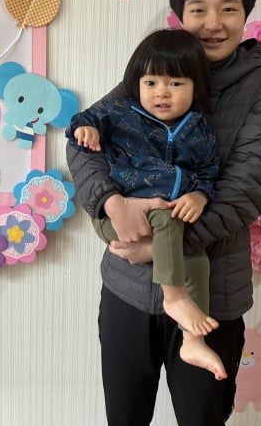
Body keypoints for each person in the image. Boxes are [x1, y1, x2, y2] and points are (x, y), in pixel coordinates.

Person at [66, 0, 261, 426]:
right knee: (124, 419)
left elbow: (248, 187)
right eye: (198, 9)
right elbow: (84, 141)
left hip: (211, 296)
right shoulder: (157, 69)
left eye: (228, 8)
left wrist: (160, 248)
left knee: (202, 421)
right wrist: (110, 202)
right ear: (180, 14)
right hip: (128, 289)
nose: (213, 23)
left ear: (246, 13)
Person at [66, 28, 226, 380]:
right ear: (136, 84)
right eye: (151, 83)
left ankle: (192, 341)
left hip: (169, 220)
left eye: (175, 83)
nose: (161, 92)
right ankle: (174, 297)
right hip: (118, 217)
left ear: (196, 86)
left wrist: (199, 195)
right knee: (167, 222)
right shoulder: (122, 112)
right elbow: (84, 119)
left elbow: (209, 172)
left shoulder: (199, 128)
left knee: (198, 262)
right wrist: (85, 130)